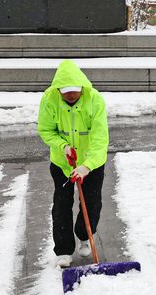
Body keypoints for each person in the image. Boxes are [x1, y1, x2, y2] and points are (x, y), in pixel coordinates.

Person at [38, 60, 109, 267]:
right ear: (58, 88)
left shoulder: (94, 99)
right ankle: (63, 250)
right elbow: (46, 130)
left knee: (92, 202)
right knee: (61, 204)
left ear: (82, 87)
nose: (71, 95)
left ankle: (84, 235)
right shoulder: (49, 99)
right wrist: (64, 147)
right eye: (66, 91)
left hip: (92, 163)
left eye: (75, 91)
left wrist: (87, 165)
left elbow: (100, 138)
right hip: (63, 163)